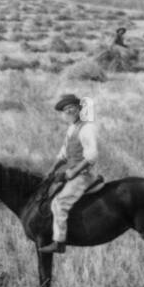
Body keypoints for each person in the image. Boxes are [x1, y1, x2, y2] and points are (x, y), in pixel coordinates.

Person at [39, 94, 99, 255]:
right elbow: (63, 154)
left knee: (59, 202)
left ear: (79, 108)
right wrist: (52, 169)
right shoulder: (72, 128)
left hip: (83, 174)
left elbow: (91, 156)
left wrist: (73, 172)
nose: (69, 111)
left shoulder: (87, 127)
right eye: (65, 109)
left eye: (71, 107)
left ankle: (59, 242)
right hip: (72, 171)